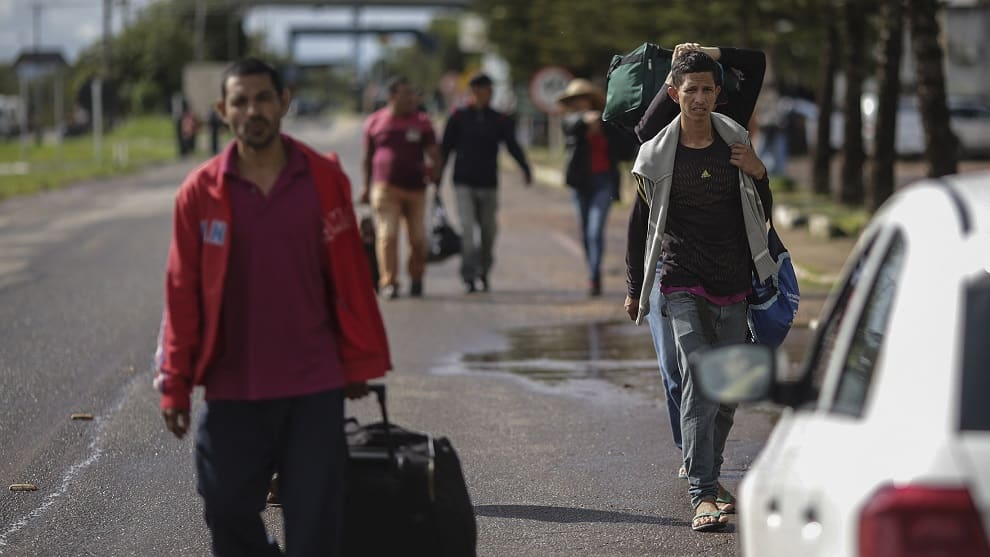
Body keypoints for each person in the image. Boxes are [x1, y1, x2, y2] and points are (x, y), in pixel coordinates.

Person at [155, 57, 391, 556]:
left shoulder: (323, 179)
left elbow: (349, 278)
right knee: (224, 508)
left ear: (285, 102)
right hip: (233, 386)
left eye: (263, 98)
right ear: (223, 110)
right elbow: (182, 292)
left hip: (313, 384)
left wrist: (358, 360)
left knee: (314, 526)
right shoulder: (200, 193)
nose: (253, 110)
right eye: (240, 101)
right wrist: (174, 381)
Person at [624, 50, 773, 532]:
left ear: (716, 94)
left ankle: (706, 464)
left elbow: (762, 212)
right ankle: (702, 493)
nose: (701, 98)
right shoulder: (657, 155)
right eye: (691, 90)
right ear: (674, 94)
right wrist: (634, 287)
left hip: (733, 281)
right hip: (681, 278)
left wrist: (759, 171)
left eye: (708, 90)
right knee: (700, 376)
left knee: (727, 389)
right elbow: (639, 224)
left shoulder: (735, 143)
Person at [440, 73, 532, 294]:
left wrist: (525, 168)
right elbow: (445, 149)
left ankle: (483, 272)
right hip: (463, 183)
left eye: (488, 90)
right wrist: (436, 178)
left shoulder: (499, 119)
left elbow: (512, 146)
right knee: (468, 232)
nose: (484, 94)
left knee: (489, 232)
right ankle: (468, 276)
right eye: (480, 90)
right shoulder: (458, 117)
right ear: (472, 92)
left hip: (489, 183)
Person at [360, 75, 441, 300]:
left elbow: (434, 151)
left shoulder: (422, 121)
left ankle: (416, 277)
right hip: (385, 188)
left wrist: (436, 169)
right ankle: (389, 282)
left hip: (416, 189)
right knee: (387, 234)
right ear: (392, 96)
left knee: (417, 238)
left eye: (412, 93)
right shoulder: (375, 122)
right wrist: (365, 187)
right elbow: (367, 158)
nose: (411, 98)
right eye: (405, 94)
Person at [557, 78, 635, 297]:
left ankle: (594, 275)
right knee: (584, 231)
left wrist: (603, 126)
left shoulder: (608, 122)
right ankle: (592, 269)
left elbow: (627, 148)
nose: (579, 103)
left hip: (604, 182)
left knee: (595, 230)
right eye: (575, 100)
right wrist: (584, 121)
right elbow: (569, 125)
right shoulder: (571, 122)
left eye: (582, 98)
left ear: (590, 99)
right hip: (580, 184)